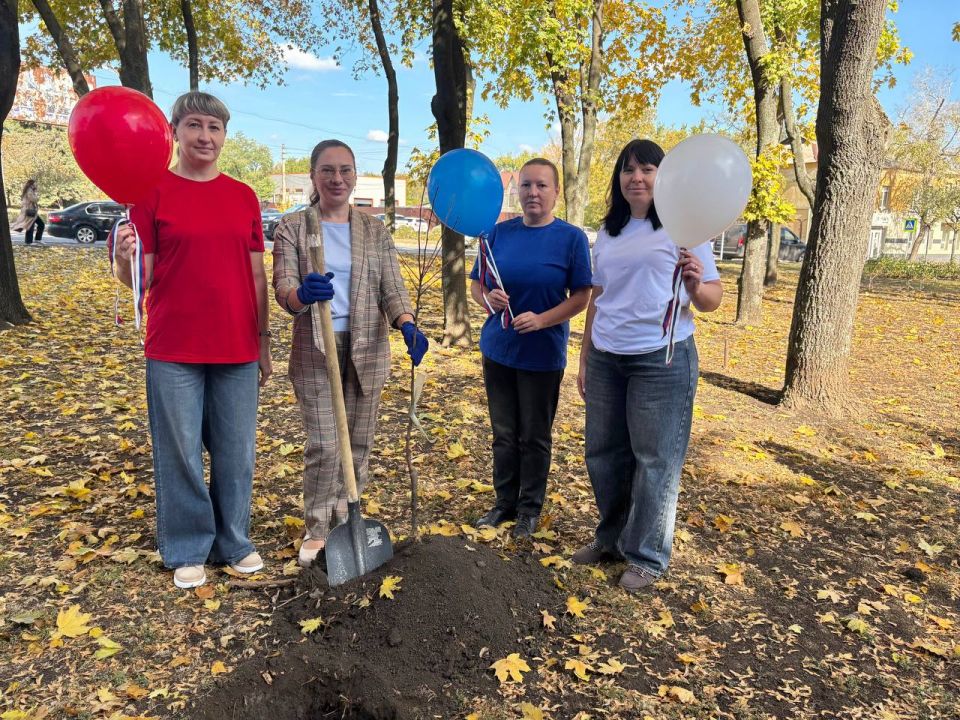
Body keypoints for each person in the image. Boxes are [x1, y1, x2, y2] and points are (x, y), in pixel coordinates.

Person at [113, 91, 272, 589]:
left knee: (235, 450)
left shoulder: (243, 196)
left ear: (224, 136)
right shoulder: (151, 192)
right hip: (174, 346)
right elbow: (142, 277)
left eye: (215, 128)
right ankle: (186, 546)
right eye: (195, 126)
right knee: (179, 449)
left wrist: (264, 338)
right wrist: (122, 259)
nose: (206, 136)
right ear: (176, 132)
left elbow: (258, 277)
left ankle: (234, 541)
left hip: (237, 344)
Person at [573, 139, 722, 592]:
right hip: (605, 357)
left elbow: (713, 300)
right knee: (603, 455)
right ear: (618, 178)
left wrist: (697, 284)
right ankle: (612, 539)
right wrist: (584, 356)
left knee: (655, 460)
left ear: (664, 177)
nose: (636, 177)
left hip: (662, 359)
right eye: (628, 169)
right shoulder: (609, 231)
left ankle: (648, 557)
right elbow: (599, 297)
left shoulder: (685, 227)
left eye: (647, 169)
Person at [272, 139, 429, 567]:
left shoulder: (373, 230)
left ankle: (348, 520)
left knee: (359, 441)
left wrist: (406, 323)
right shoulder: (292, 228)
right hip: (317, 347)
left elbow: (391, 287)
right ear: (313, 176)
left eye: (345, 170)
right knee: (325, 443)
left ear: (355, 175)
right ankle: (320, 528)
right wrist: (301, 295)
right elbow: (283, 288)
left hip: (367, 345)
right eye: (327, 170)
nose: (337, 179)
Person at [469, 158, 592, 539]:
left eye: (541, 185)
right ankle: (504, 503)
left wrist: (542, 319)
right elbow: (476, 285)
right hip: (499, 350)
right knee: (504, 433)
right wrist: (489, 299)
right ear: (517, 191)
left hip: (542, 355)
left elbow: (582, 297)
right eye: (526, 185)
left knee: (534, 436)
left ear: (556, 192)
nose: (533, 193)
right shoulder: (496, 234)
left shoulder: (571, 239)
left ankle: (529, 509)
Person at [12, 179, 44, 245]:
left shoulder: (30, 190)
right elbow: (33, 199)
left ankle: (37, 239)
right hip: (30, 211)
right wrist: (37, 196)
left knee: (40, 224)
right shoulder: (29, 190)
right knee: (31, 226)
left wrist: (35, 192)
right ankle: (29, 242)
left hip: (32, 211)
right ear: (32, 184)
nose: (36, 185)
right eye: (35, 183)